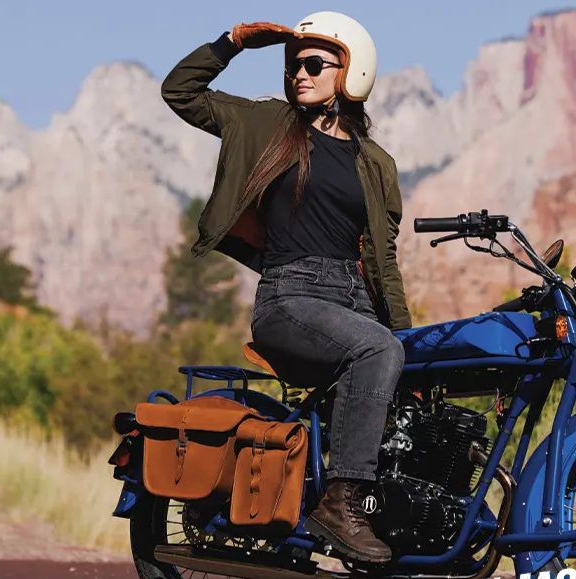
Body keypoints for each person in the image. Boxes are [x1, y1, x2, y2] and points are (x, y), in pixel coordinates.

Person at [160, 11, 412, 564]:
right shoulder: (267, 125)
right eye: (295, 63)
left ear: (352, 74)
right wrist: (232, 43)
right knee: (376, 350)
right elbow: (180, 92)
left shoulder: (376, 165)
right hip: (289, 296)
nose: (300, 72)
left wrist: (405, 337)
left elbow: (382, 261)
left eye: (315, 63)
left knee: (405, 368)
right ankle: (341, 502)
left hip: (354, 301)